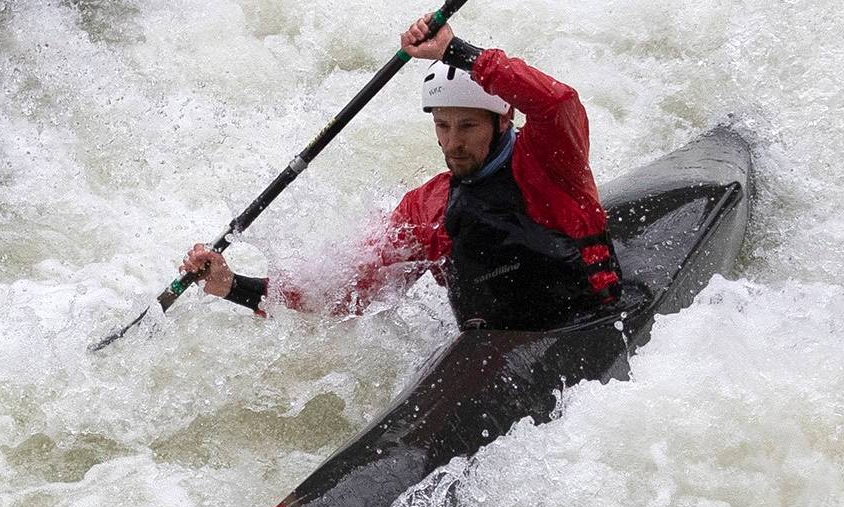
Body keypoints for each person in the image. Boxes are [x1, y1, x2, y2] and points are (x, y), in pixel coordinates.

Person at [182, 16, 621, 331]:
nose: (452, 142)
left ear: (502, 121)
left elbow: (557, 102)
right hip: (494, 346)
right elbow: (348, 293)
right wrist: (232, 285)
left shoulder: (549, 161)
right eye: (442, 125)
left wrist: (456, 51)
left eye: (467, 126)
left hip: (590, 319)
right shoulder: (427, 207)